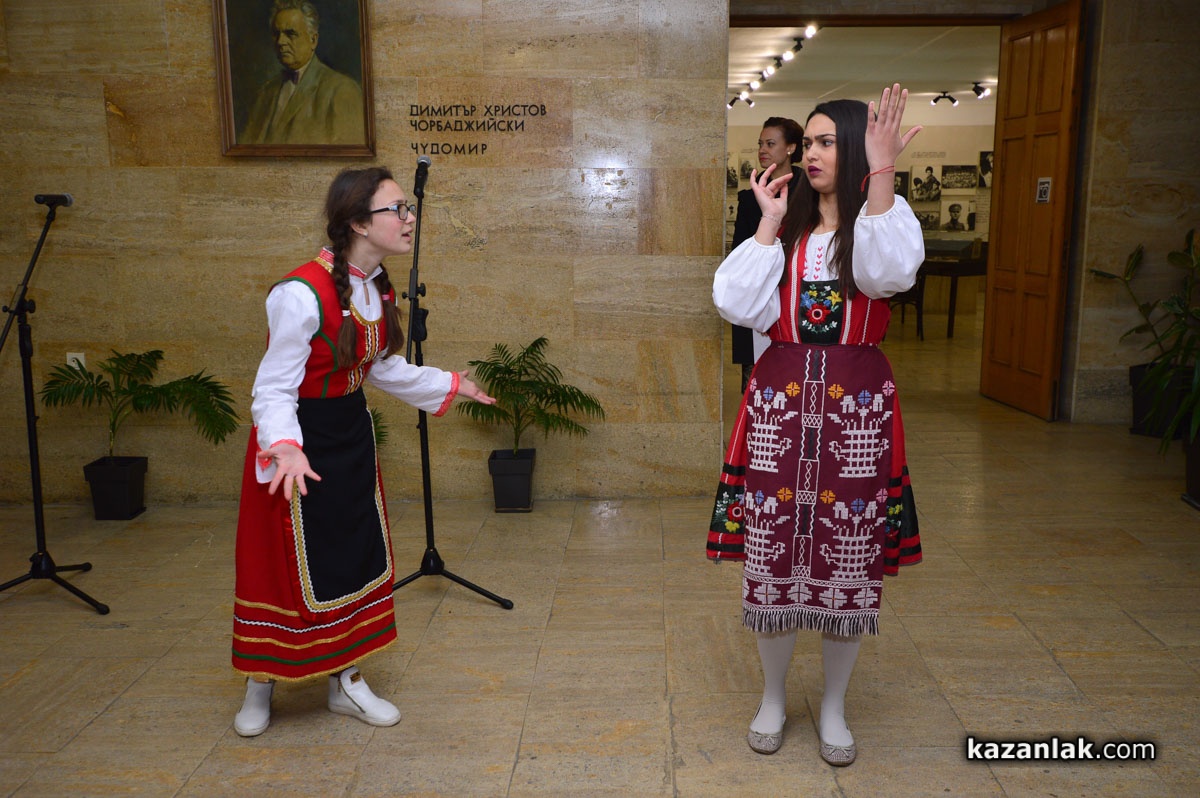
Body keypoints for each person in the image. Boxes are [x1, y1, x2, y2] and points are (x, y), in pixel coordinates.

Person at [230, 166, 496, 737]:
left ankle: (345, 680)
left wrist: (450, 384)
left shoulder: (376, 287)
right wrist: (284, 449)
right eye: (396, 209)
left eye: (408, 208)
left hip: (349, 438)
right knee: (281, 567)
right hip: (295, 448)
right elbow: (272, 388)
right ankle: (260, 680)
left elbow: (377, 368)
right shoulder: (299, 293)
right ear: (357, 222)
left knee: (349, 558)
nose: (409, 218)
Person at [706, 84, 924, 767]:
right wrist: (768, 223)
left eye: (828, 141)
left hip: (855, 410)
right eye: (809, 142)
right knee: (773, 557)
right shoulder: (786, 228)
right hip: (781, 405)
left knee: (846, 560)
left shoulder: (885, 221)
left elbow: (886, 275)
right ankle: (773, 697)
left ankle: (832, 706)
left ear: (857, 148)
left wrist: (882, 176)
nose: (811, 153)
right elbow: (734, 303)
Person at [731, 117, 805, 390]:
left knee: (797, 383)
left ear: (790, 148)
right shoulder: (749, 196)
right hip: (759, 292)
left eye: (770, 143)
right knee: (757, 386)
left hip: (799, 292)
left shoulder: (810, 191)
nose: (762, 149)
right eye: (760, 143)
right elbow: (739, 251)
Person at [240, 0, 365, 146]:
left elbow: (350, 154)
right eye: (276, 34)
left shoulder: (342, 91)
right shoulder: (265, 93)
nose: (280, 42)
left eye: (290, 33)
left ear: (313, 40)